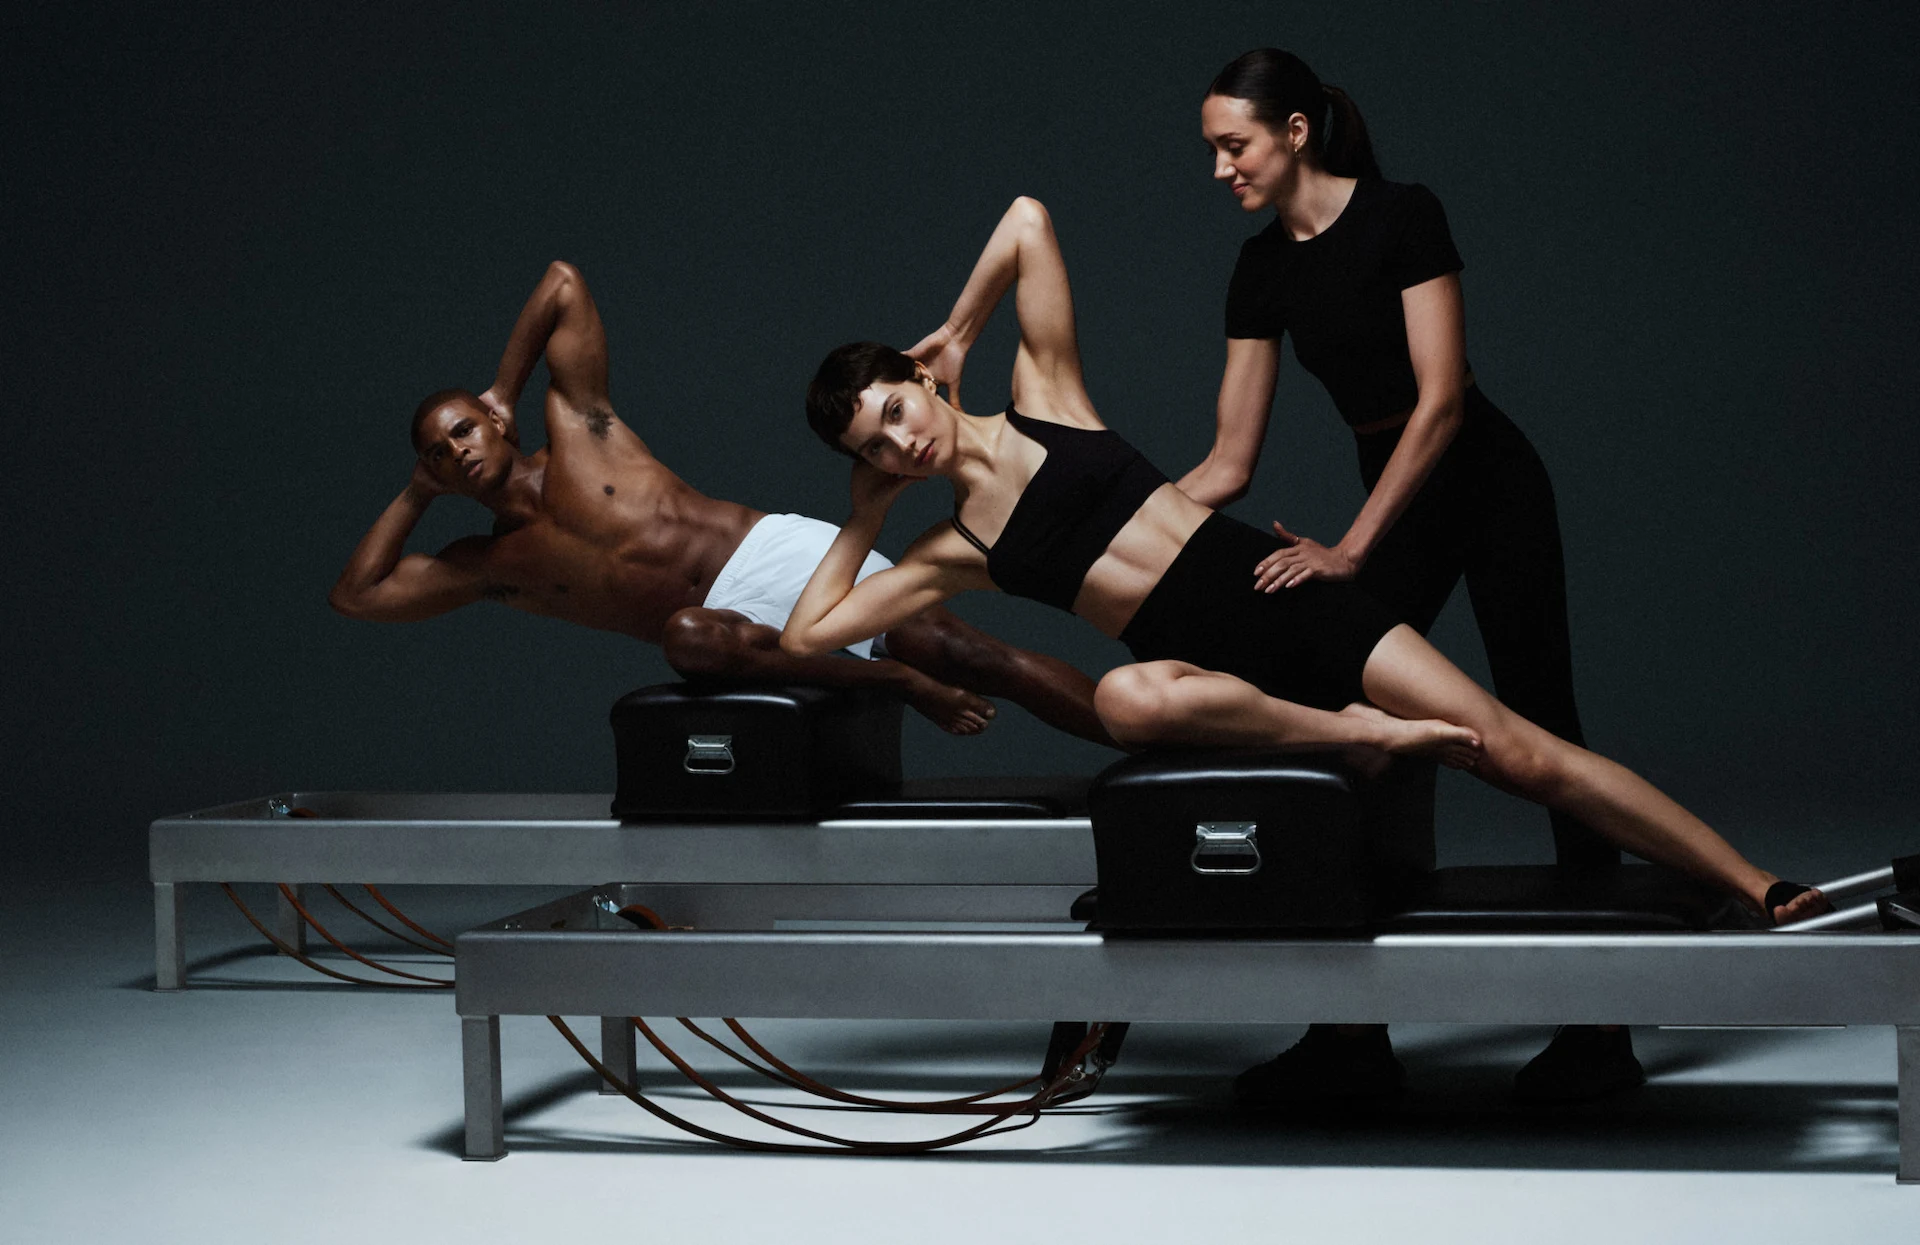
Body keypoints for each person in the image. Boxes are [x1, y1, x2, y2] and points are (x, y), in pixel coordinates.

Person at [784, 196, 1828, 1088]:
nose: (902, 442)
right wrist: (865, 516)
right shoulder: (952, 547)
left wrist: (957, 329)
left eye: (895, 409)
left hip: (1285, 602)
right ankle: (1361, 734)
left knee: (1517, 751)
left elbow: (1026, 220)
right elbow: (808, 634)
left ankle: (1754, 883)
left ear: (921, 380)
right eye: (877, 447)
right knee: (1125, 700)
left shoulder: (1043, 397)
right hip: (1225, 686)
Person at [1180, 47, 1631, 1103]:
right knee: (1352, 728)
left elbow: (1441, 401)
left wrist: (1348, 552)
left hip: (1485, 480)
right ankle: (1351, 1036)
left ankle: (1602, 1029)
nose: (1220, 169)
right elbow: (1229, 462)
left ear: (1296, 132)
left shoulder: (1403, 215)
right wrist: (1113, 518)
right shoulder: (1260, 267)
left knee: (1541, 723)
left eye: (1234, 146)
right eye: (1211, 150)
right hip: (1394, 494)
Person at [328, 260, 1114, 748]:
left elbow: (562, 284)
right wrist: (416, 492)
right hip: (733, 636)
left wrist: (503, 386)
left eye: (463, 428)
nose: (457, 450)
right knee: (685, 636)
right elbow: (357, 596)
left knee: (979, 659)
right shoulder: (487, 565)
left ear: (494, 422)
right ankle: (900, 685)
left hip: (775, 557)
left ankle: (1147, 742)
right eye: (438, 453)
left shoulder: (579, 429)